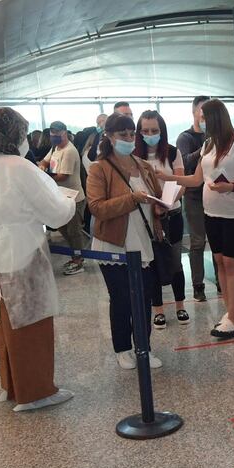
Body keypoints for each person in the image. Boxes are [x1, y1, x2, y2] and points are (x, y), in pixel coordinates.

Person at [0, 107, 76, 412]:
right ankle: (35, 391)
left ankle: (10, 385)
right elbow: (55, 212)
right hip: (21, 251)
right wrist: (68, 202)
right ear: (13, 134)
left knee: (2, 322)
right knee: (30, 322)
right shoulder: (20, 167)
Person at [166, 99, 234, 339]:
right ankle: (230, 314)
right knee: (219, 262)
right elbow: (196, 179)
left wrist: (231, 186)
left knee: (231, 265)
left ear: (216, 118)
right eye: (200, 116)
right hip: (212, 214)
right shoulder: (208, 145)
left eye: (204, 116)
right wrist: (166, 177)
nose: (201, 120)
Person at [87, 112, 165, 370]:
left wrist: (161, 206)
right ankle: (122, 348)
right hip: (114, 244)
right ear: (109, 136)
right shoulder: (100, 168)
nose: (129, 139)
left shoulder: (143, 165)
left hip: (142, 241)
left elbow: (156, 198)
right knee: (121, 299)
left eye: (132, 134)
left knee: (143, 299)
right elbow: (97, 208)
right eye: (123, 135)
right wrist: (132, 199)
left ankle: (144, 347)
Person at [134, 110, 189, 330]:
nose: (150, 135)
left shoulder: (173, 152)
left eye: (154, 131)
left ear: (162, 131)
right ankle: (157, 309)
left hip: (171, 213)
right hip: (146, 217)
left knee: (175, 261)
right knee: (153, 263)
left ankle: (180, 304)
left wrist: (166, 203)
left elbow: (182, 182)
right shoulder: (135, 156)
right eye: (145, 131)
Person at [176, 95, 216, 302]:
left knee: (217, 240)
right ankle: (198, 285)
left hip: (216, 194)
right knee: (198, 241)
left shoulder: (217, 135)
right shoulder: (186, 137)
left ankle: (221, 280)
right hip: (194, 197)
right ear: (194, 112)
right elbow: (183, 163)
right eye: (202, 111)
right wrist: (202, 152)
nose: (205, 116)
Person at [39, 121, 86, 275]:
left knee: (74, 231)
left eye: (57, 134)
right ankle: (75, 255)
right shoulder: (55, 148)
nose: (54, 137)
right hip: (60, 197)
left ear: (65, 133)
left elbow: (62, 176)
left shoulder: (69, 151)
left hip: (74, 198)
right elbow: (45, 161)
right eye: (52, 135)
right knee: (63, 228)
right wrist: (42, 168)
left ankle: (79, 260)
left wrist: (43, 176)